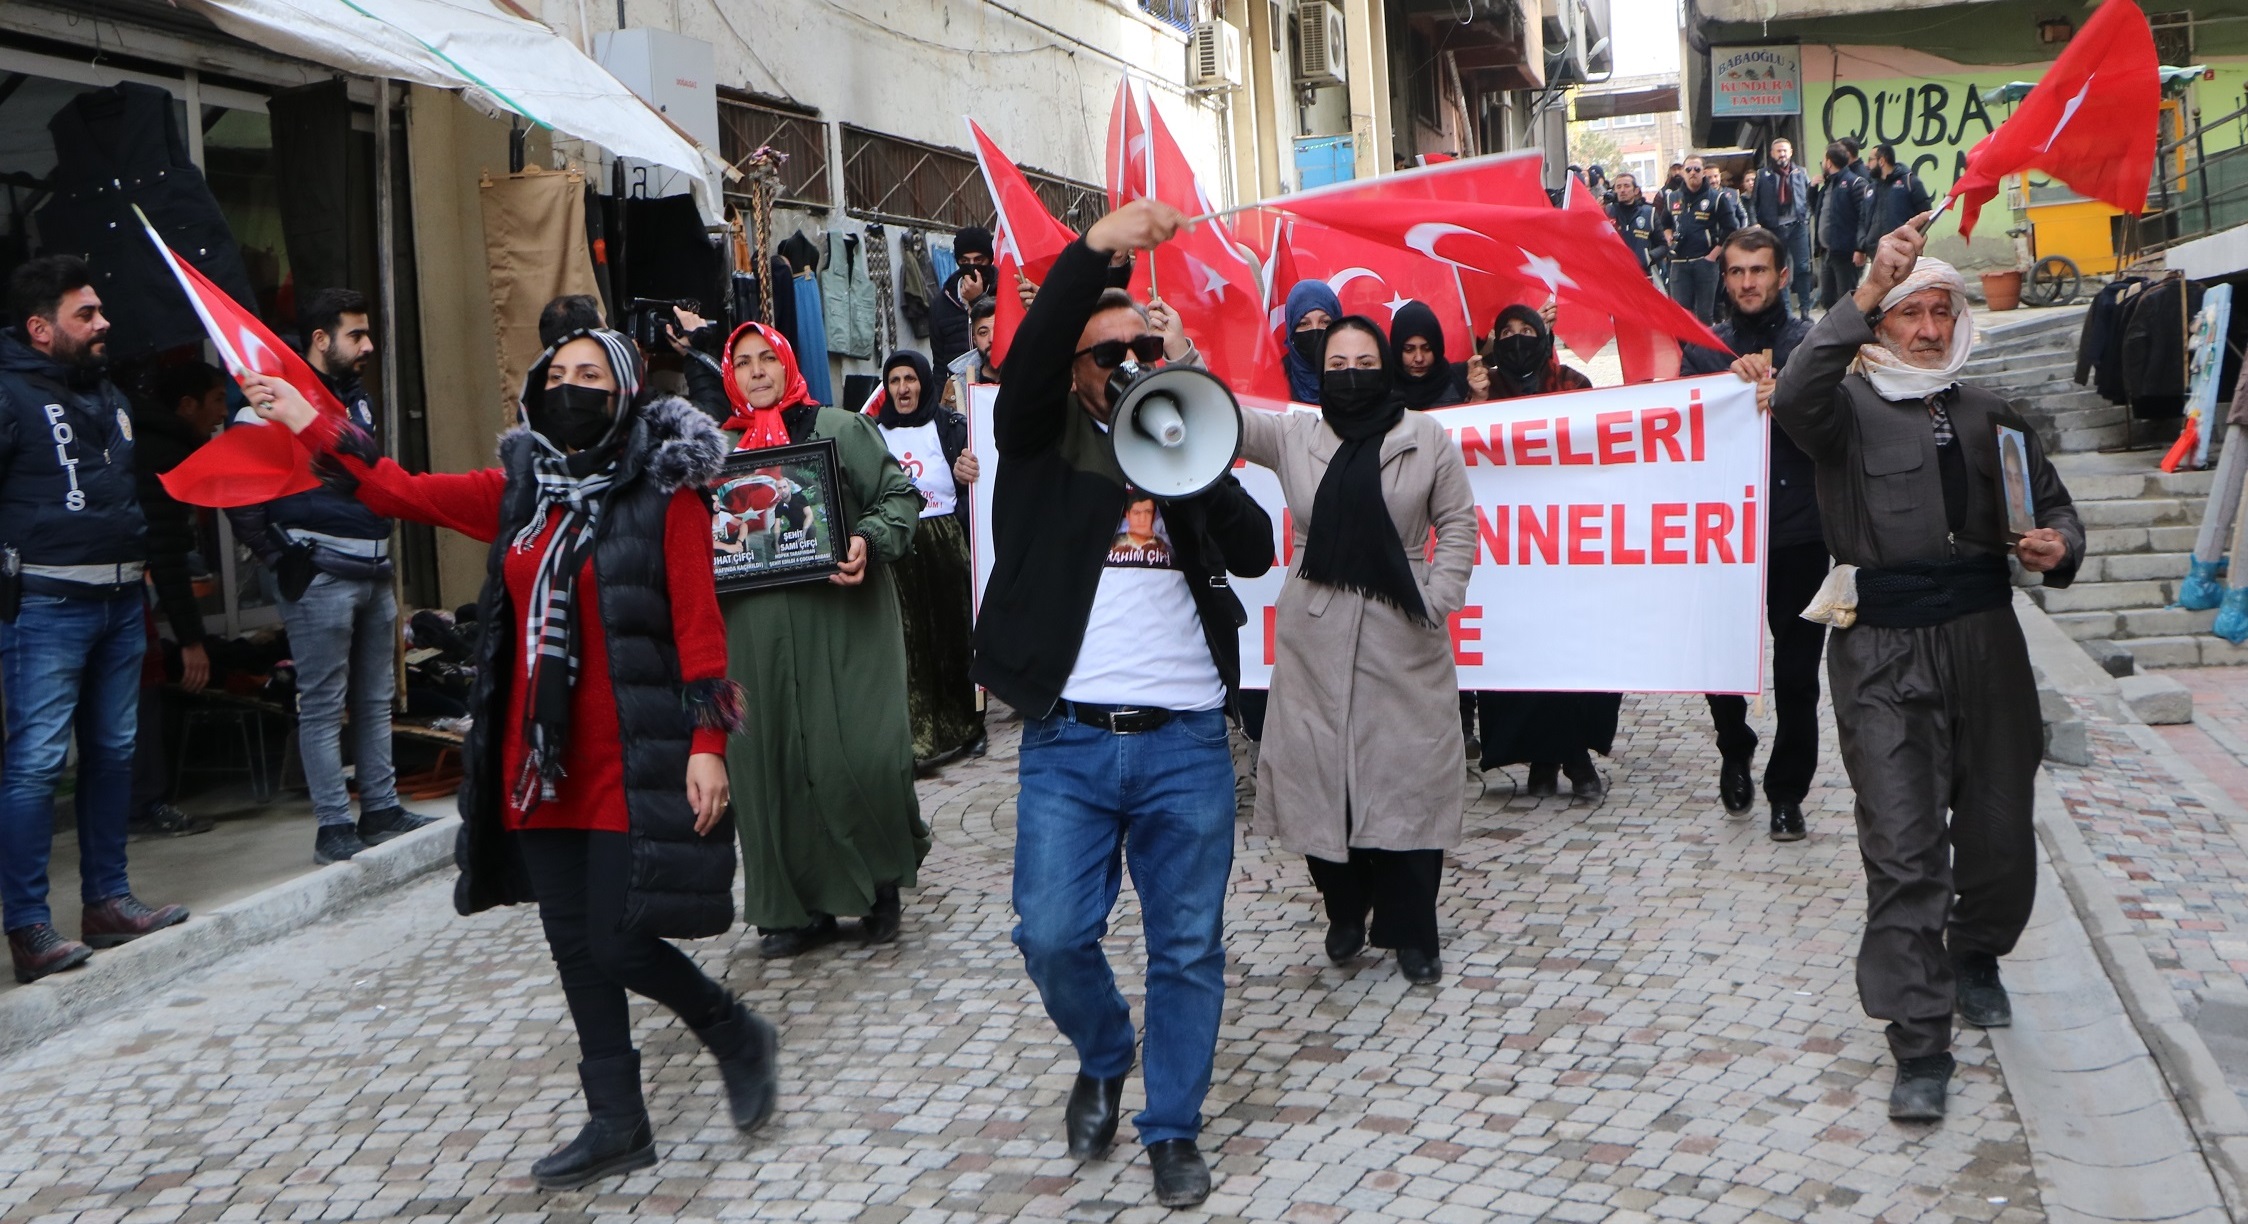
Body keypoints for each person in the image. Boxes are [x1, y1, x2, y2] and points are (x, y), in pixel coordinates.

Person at [244, 327, 777, 1187]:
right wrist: (312, 418)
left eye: (590, 376)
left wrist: (707, 743)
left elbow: (697, 626)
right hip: (543, 760)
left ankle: (728, 1027)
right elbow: (396, 491)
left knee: (622, 940)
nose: (570, 388)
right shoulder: (521, 491)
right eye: (557, 374)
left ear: (627, 390)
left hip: (631, 755)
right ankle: (617, 1121)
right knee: (573, 943)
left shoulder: (666, 493)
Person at [972, 199, 1274, 1209]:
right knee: (1050, 934)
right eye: (1110, 354)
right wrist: (1097, 249)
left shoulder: (1182, 434)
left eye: (1144, 345)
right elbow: (1032, 362)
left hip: (1184, 738)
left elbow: (1256, 551)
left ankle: (1172, 1127)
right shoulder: (1040, 439)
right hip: (1068, 738)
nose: (1128, 363)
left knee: (1186, 945)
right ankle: (1105, 1051)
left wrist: (1188, 442)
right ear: (1073, 368)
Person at [1772, 216, 2082, 1121]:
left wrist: (2057, 545)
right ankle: (1919, 1041)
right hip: (1881, 648)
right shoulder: (1841, 411)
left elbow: (2054, 510)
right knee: (1903, 848)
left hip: (1987, 640)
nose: (1932, 330)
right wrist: (1870, 283)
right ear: (1884, 324)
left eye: (1944, 313)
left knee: (1997, 831)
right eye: (1913, 314)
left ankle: (1976, 948)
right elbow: (1793, 393)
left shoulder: (1994, 414)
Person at [1241, 316, 1475, 985]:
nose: (1350, 374)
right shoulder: (1295, 434)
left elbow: (1458, 520)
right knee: (1319, 777)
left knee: (1409, 778)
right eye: (1337, 362)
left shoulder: (1424, 437)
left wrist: (1437, 596)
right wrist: (1179, 352)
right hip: (1315, 632)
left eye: (1364, 361)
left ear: (1387, 365)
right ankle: (1344, 905)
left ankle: (1413, 929)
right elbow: (1223, 418)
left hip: (1404, 630)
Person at [0, 256, 191, 983]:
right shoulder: (7, 392)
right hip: (46, 605)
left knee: (113, 753)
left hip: (118, 603)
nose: (105, 323)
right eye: (87, 314)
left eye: (101, 310)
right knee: (36, 766)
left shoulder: (107, 392)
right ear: (41, 328)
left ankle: (107, 901)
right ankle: (28, 928)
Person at [717, 321, 929, 957]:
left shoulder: (838, 430)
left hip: (844, 623)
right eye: (744, 362)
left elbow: (899, 496)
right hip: (751, 635)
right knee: (767, 762)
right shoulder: (709, 451)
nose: (757, 372)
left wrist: (866, 540)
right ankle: (791, 907)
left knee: (860, 754)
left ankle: (878, 884)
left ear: (788, 365)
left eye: (767, 360)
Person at [226, 288, 431, 863]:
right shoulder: (268, 401)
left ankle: (382, 808)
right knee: (320, 704)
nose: (368, 345)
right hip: (320, 572)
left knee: (375, 699)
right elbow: (241, 495)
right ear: (320, 340)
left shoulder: (354, 399)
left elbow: (368, 471)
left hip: (372, 566)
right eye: (356, 335)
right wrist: (282, 558)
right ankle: (334, 825)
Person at [1680, 228, 1828, 841]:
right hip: (1725, 534)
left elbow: (1838, 426)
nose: (1747, 283)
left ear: (1782, 276)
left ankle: (1787, 793)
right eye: (1737, 272)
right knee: (1722, 663)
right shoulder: (1705, 350)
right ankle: (1734, 747)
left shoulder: (1813, 346)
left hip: (1798, 534)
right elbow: (1682, 429)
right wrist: (1726, 388)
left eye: (1759, 271)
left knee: (1796, 676)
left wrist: (1787, 396)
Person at [1465, 305, 1617, 801]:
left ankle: (1564, 756)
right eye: (1504, 332)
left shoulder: (1572, 385)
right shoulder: (1486, 388)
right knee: (1522, 661)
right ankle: (1557, 759)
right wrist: (1475, 400)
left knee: (1568, 655)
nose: (1515, 340)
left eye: (1525, 331)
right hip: (1506, 553)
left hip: (1567, 549)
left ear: (1545, 335)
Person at [128, 360, 228, 838]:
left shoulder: (148, 436)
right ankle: (145, 804)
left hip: (121, 584)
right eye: (215, 402)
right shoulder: (163, 450)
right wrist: (191, 639)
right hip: (120, 590)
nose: (222, 414)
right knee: (145, 686)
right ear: (185, 405)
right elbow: (165, 549)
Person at [874, 349, 982, 767]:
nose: (903, 388)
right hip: (901, 544)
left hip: (945, 538)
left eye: (910, 379)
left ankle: (969, 727)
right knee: (911, 643)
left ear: (923, 382)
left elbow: (980, 476)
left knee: (956, 635)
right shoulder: (874, 430)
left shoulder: (950, 425)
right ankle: (919, 739)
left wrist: (967, 470)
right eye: (895, 380)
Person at [1665, 156, 1734, 325]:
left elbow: (1731, 228)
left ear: (1704, 173)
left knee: (1704, 316)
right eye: (1688, 170)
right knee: (1681, 316)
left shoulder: (1717, 198)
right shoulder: (1672, 198)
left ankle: (1706, 352)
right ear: (1682, 172)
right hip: (1679, 263)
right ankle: (1686, 352)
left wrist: (1712, 256)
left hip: (1705, 262)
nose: (1692, 173)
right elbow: (1664, 223)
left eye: (1697, 169)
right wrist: (1668, 235)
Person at [1754, 138, 1814, 319]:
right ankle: (1787, 311)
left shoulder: (1801, 173)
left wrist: (1806, 217)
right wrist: (1756, 223)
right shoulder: (1763, 175)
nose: (1782, 154)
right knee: (1781, 269)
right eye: (1778, 151)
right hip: (1774, 229)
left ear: (1791, 152)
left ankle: (1805, 309)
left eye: (1785, 151)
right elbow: (1754, 203)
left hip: (1798, 227)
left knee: (1803, 267)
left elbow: (1810, 198)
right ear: (1772, 154)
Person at [933, 225, 996, 374]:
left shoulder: (1006, 292)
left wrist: (978, 300)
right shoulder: (941, 303)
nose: (972, 267)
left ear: (989, 259)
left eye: (979, 260)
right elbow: (940, 364)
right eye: (965, 261)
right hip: (959, 388)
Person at [1817, 142, 1871, 309]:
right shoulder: (1828, 184)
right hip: (1828, 252)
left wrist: (1860, 248)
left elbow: (1864, 217)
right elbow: (1817, 210)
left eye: (1823, 160)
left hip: (1846, 253)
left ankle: (1850, 334)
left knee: (1846, 300)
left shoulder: (1855, 183)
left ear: (1829, 162)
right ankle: (1833, 333)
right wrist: (1812, 188)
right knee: (1827, 299)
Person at [1862, 145, 1933, 261]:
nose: (1866, 164)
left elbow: (1926, 215)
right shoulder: (1870, 188)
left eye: (1870, 160)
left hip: (1902, 251)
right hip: (1876, 252)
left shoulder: (1909, 182)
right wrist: (1862, 245)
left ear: (1881, 161)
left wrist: (1911, 241)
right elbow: (1863, 219)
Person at [1389, 301, 1465, 410]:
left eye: (1427, 349)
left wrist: (1478, 398)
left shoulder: (1461, 381)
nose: (1419, 358)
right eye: (1409, 349)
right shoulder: (1381, 391)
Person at [1281, 280, 1341, 405]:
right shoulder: (1274, 378)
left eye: (1325, 322)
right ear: (1291, 330)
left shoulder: (1354, 376)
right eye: (1304, 324)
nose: (1315, 331)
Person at [1607, 172, 1670, 288]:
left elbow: (1663, 246)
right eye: (1618, 187)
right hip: (1616, 277)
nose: (1622, 190)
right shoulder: (1607, 213)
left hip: (1642, 276)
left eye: (1626, 186)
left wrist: (1648, 257)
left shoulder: (1648, 213)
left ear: (1636, 191)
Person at [949, 295, 1002, 404]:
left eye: (998, 329)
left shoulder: (1031, 373)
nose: (991, 339)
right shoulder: (956, 385)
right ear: (975, 340)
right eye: (983, 333)